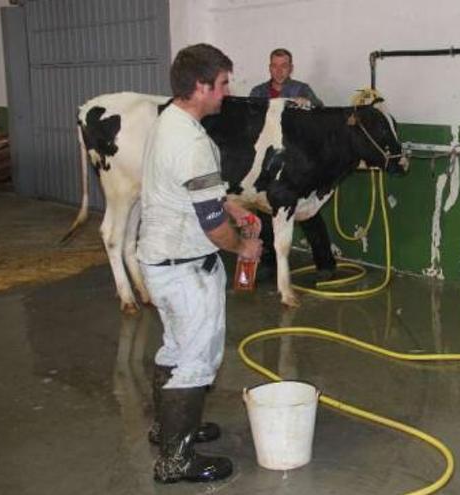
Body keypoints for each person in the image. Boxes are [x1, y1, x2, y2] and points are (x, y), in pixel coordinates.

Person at [137, 43, 262, 484]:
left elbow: (198, 195)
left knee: (173, 346)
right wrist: (241, 248)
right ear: (200, 86)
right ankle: (176, 460)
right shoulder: (191, 142)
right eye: (223, 84)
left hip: (160, 259)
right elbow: (211, 227)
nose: (227, 92)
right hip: (186, 266)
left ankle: (170, 430)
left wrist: (231, 206)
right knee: (194, 358)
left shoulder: (168, 120)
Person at [249, 48, 336, 281]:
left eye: (284, 66)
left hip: (297, 164)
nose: (279, 70)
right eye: (275, 66)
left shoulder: (301, 89)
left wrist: (308, 103)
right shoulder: (257, 92)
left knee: (307, 214)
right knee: (265, 214)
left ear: (291, 68)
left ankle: (325, 263)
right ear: (269, 67)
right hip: (267, 164)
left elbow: (320, 110)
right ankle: (268, 264)